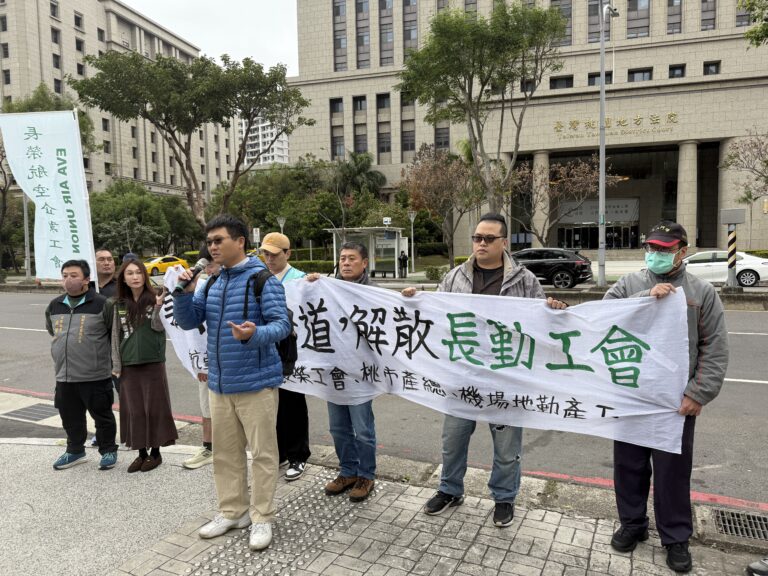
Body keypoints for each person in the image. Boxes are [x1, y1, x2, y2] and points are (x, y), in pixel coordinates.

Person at [402, 213, 566, 528]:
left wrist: (555, 312)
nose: (480, 243)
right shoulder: (454, 278)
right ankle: (450, 489)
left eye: (488, 238)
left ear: (504, 242)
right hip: (461, 374)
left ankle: (504, 498)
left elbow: (540, 327)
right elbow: (437, 315)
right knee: (453, 438)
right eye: (477, 237)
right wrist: (416, 300)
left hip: (506, 377)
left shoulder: (524, 280)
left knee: (506, 447)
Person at [604, 221, 728, 574]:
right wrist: (645, 298)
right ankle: (633, 523)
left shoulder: (702, 292)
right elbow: (603, 317)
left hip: (675, 402)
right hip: (631, 395)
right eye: (652, 248)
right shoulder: (630, 283)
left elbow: (714, 348)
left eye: (664, 249)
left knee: (673, 472)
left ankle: (675, 537)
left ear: (682, 251)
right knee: (628, 466)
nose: (656, 254)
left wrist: (698, 393)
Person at [173, 214, 290, 551]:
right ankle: (232, 511)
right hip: (220, 386)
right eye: (209, 242)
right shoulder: (211, 282)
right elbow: (189, 322)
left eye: (219, 240)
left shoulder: (262, 280)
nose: (213, 247)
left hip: (257, 385)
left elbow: (282, 325)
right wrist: (184, 294)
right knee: (225, 454)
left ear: (240, 241)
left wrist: (254, 335)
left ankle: (262, 517)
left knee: (264, 455)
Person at [306, 242, 379, 503]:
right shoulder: (327, 289)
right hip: (333, 372)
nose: (346, 263)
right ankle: (347, 471)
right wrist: (309, 284)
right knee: (338, 428)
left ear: (365, 263)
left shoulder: (375, 294)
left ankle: (366, 475)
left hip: (361, 374)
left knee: (363, 429)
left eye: (351, 258)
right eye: (342, 258)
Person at [45, 260, 118, 471]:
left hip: (95, 375)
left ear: (86, 279)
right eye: (65, 275)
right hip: (64, 375)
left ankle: (108, 451)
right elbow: (53, 331)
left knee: (102, 416)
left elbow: (114, 335)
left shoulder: (103, 304)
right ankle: (75, 451)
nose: (68, 279)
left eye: (74, 275)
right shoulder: (55, 305)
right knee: (70, 417)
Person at [112, 260, 178, 472]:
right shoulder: (119, 304)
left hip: (153, 362)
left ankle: (156, 453)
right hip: (128, 364)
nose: (135, 277)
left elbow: (159, 328)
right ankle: (141, 453)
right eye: (129, 273)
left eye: (138, 272)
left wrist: (159, 305)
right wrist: (116, 363)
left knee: (155, 408)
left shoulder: (156, 297)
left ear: (144, 275)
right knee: (135, 410)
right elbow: (115, 335)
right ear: (124, 278)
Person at [260, 232, 309, 482]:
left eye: (274, 254)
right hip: (267, 349)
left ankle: (298, 455)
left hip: (292, 351)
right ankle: (278, 452)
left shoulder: (300, 279)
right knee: (270, 406)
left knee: (293, 404)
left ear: (287, 254)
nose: (269, 258)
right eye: (265, 253)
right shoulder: (260, 277)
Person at [182, 249, 220, 470]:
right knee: (206, 407)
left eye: (213, 262)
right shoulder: (203, 287)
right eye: (206, 262)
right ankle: (209, 447)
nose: (208, 267)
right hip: (207, 359)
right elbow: (193, 328)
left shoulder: (247, 282)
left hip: (231, 364)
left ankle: (228, 450)